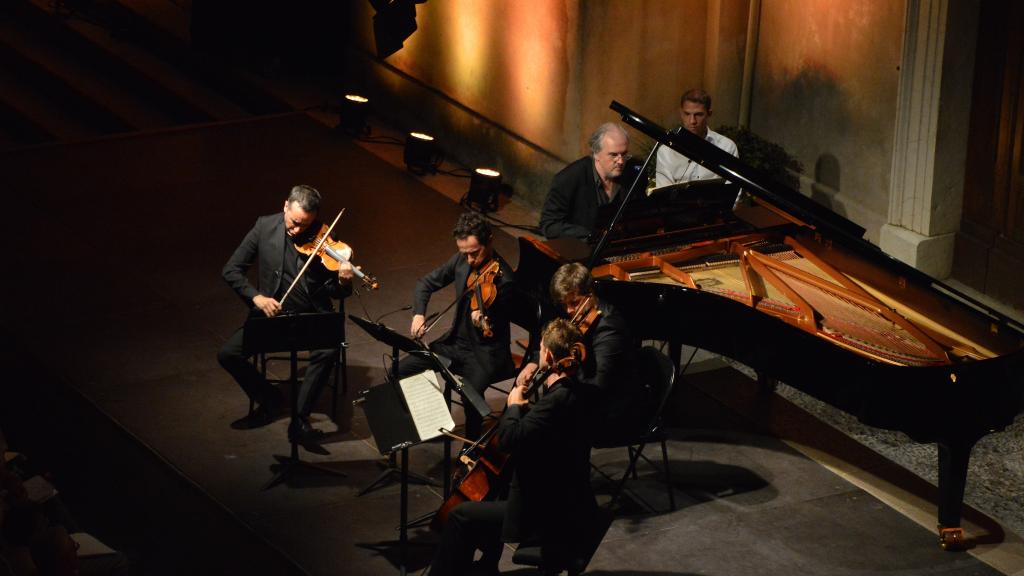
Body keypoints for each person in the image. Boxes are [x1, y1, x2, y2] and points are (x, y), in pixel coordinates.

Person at [429, 319, 598, 576]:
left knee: (461, 516)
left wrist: (515, 405)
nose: (538, 352)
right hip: (570, 495)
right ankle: (484, 565)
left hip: (549, 510)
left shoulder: (556, 401)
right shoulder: (579, 392)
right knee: (497, 491)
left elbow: (509, 438)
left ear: (549, 354)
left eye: (540, 348)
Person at [218, 185, 353, 443]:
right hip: (272, 316)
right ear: (285, 206)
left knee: (328, 349)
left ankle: (300, 421)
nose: (298, 231)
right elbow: (231, 270)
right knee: (227, 354)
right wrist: (256, 298)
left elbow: (337, 293)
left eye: (305, 225)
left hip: (311, 316)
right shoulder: (264, 227)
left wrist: (345, 281)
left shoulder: (324, 237)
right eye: (293, 223)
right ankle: (270, 399)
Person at [400, 212, 515, 441]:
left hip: (484, 353)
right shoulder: (462, 260)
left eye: (474, 253)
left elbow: (495, 327)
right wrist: (418, 315)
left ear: (489, 241)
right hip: (454, 344)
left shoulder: (506, 281)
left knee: (470, 398)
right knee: (402, 370)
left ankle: (470, 447)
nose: (470, 260)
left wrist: (484, 320)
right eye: (465, 253)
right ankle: (434, 421)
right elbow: (425, 283)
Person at [515, 263, 641, 436]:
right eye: (564, 304)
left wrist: (559, 380)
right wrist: (534, 363)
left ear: (590, 295)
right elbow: (554, 343)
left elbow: (599, 387)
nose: (569, 311)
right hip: (583, 392)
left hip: (609, 406)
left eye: (574, 303)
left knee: (543, 427)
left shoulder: (609, 329)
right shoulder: (576, 316)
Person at [539, 123, 632, 240]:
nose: (620, 161)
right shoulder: (569, 178)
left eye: (624, 154)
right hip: (579, 249)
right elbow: (549, 225)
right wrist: (589, 235)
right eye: (613, 155)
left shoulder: (630, 174)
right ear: (596, 154)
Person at [655, 88, 738, 187]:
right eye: (687, 114)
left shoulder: (726, 146)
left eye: (698, 115)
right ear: (681, 113)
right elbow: (663, 193)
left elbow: (733, 190)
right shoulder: (666, 150)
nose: (692, 121)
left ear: (709, 114)